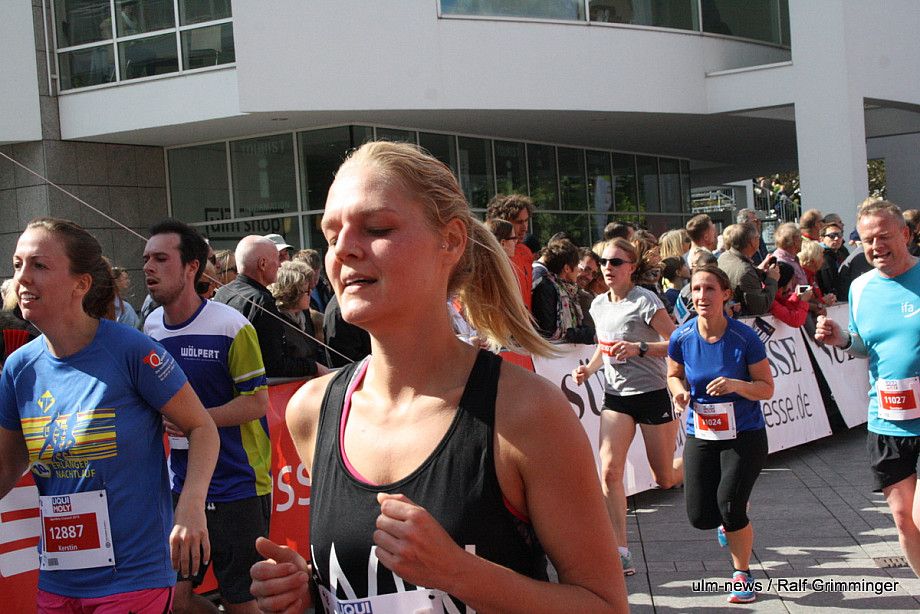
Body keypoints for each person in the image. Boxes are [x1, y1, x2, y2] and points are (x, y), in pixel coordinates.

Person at [248, 141, 628, 614]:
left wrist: (459, 573)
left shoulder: (527, 412)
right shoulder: (313, 411)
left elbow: (605, 605)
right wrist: (309, 591)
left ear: (450, 240)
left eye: (376, 228)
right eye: (331, 235)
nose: (343, 249)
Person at [0, 217, 219, 612]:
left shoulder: (131, 350)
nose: (23, 278)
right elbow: (6, 468)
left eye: (39, 265)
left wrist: (190, 505)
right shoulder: (19, 368)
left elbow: (201, 426)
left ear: (80, 284)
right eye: (18, 265)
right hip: (58, 578)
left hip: (133, 578)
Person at [143, 219, 271, 614]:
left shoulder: (231, 325)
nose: (148, 268)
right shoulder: (150, 327)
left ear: (191, 267)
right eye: (146, 259)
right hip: (181, 487)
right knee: (175, 601)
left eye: (161, 258)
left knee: (240, 603)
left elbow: (257, 403)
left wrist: (196, 420)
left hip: (238, 484)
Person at [815, 199, 920, 578]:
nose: (876, 246)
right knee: (904, 519)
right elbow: (864, 345)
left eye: (884, 236)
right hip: (888, 419)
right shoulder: (860, 288)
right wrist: (842, 339)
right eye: (868, 239)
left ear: (905, 234)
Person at [571, 238, 682, 576]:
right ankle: (620, 551)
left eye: (616, 262)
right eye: (604, 261)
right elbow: (605, 345)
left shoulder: (645, 300)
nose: (608, 267)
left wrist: (640, 348)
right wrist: (589, 369)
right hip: (616, 398)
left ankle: (700, 463)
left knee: (664, 478)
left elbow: (677, 342)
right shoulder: (597, 304)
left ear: (632, 268)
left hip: (652, 393)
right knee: (608, 472)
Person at [667, 264, 774, 604]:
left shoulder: (745, 338)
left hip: (745, 435)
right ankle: (728, 519)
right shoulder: (682, 336)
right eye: (696, 289)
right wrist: (679, 393)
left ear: (726, 294)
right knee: (701, 516)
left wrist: (735, 385)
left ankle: (742, 574)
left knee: (730, 507)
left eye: (709, 289)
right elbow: (673, 374)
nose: (702, 296)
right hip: (702, 433)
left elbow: (766, 388)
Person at [214, 236, 327, 379]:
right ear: (262, 263)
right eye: (277, 259)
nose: (280, 265)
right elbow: (273, 365)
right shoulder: (261, 301)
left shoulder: (223, 292)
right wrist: (313, 367)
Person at [531, 239, 595, 344]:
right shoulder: (546, 289)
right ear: (567, 268)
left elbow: (578, 324)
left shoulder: (569, 290)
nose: (578, 270)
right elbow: (550, 332)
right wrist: (590, 335)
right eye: (577, 265)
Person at [269, 260, 327, 372]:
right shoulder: (274, 321)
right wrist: (313, 367)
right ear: (292, 293)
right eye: (307, 290)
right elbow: (278, 365)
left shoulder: (304, 315)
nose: (311, 293)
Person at [717, 222, 780, 316]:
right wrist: (772, 280)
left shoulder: (724, 257)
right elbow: (760, 308)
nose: (759, 240)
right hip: (741, 321)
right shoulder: (745, 271)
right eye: (757, 237)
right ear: (752, 242)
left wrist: (758, 271)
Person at [486, 194, 535, 309]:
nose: (525, 228)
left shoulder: (526, 252)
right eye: (519, 222)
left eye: (526, 221)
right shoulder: (490, 257)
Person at [768, 262, 812, 328]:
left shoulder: (772, 296)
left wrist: (796, 297)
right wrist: (804, 301)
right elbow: (795, 321)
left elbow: (784, 306)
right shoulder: (771, 301)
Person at [770, 222, 808, 288]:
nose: (802, 240)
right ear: (795, 239)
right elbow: (784, 292)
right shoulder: (781, 263)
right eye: (801, 237)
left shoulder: (793, 258)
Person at [816, 223, 846, 296]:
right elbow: (829, 285)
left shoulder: (841, 252)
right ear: (822, 239)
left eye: (840, 235)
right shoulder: (822, 257)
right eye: (832, 236)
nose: (837, 238)